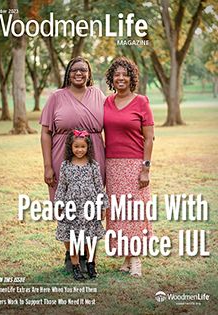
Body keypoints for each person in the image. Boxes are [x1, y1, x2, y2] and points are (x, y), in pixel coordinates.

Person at [40, 56, 106, 271]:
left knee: (91, 207)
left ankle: (88, 258)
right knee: (65, 207)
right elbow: (45, 133)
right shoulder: (56, 97)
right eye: (75, 69)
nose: (79, 73)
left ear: (89, 73)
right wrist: (48, 166)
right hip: (62, 157)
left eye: (83, 70)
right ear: (68, 72)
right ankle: (71, 255)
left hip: (94, 156)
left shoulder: (98, 95)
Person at [104, 57, 154, 277]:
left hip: (134, 165)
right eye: (117, 74)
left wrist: (145, 168)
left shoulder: (142, 101)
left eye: (125, 74)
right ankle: (126, 257)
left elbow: (150, 138)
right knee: (117, 212)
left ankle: (135, 260)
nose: (121, 78)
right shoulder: (106, 102)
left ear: (131, 78)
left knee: (134, 212)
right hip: (112, 165)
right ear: (112, 79)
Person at [54, 129, 108, 280]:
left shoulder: (93, 165)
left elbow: (99, 187)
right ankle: (76, 266)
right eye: (76, 146)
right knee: (71, 238)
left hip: (89, 208)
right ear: (70, 147)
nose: (79, 150)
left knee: (90, 238)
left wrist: (103, 206)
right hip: (71, 208)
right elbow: (61, 187)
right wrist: (59, 205)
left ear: (88, 147)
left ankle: (91, 265)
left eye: (82, 146)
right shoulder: (65, 165)